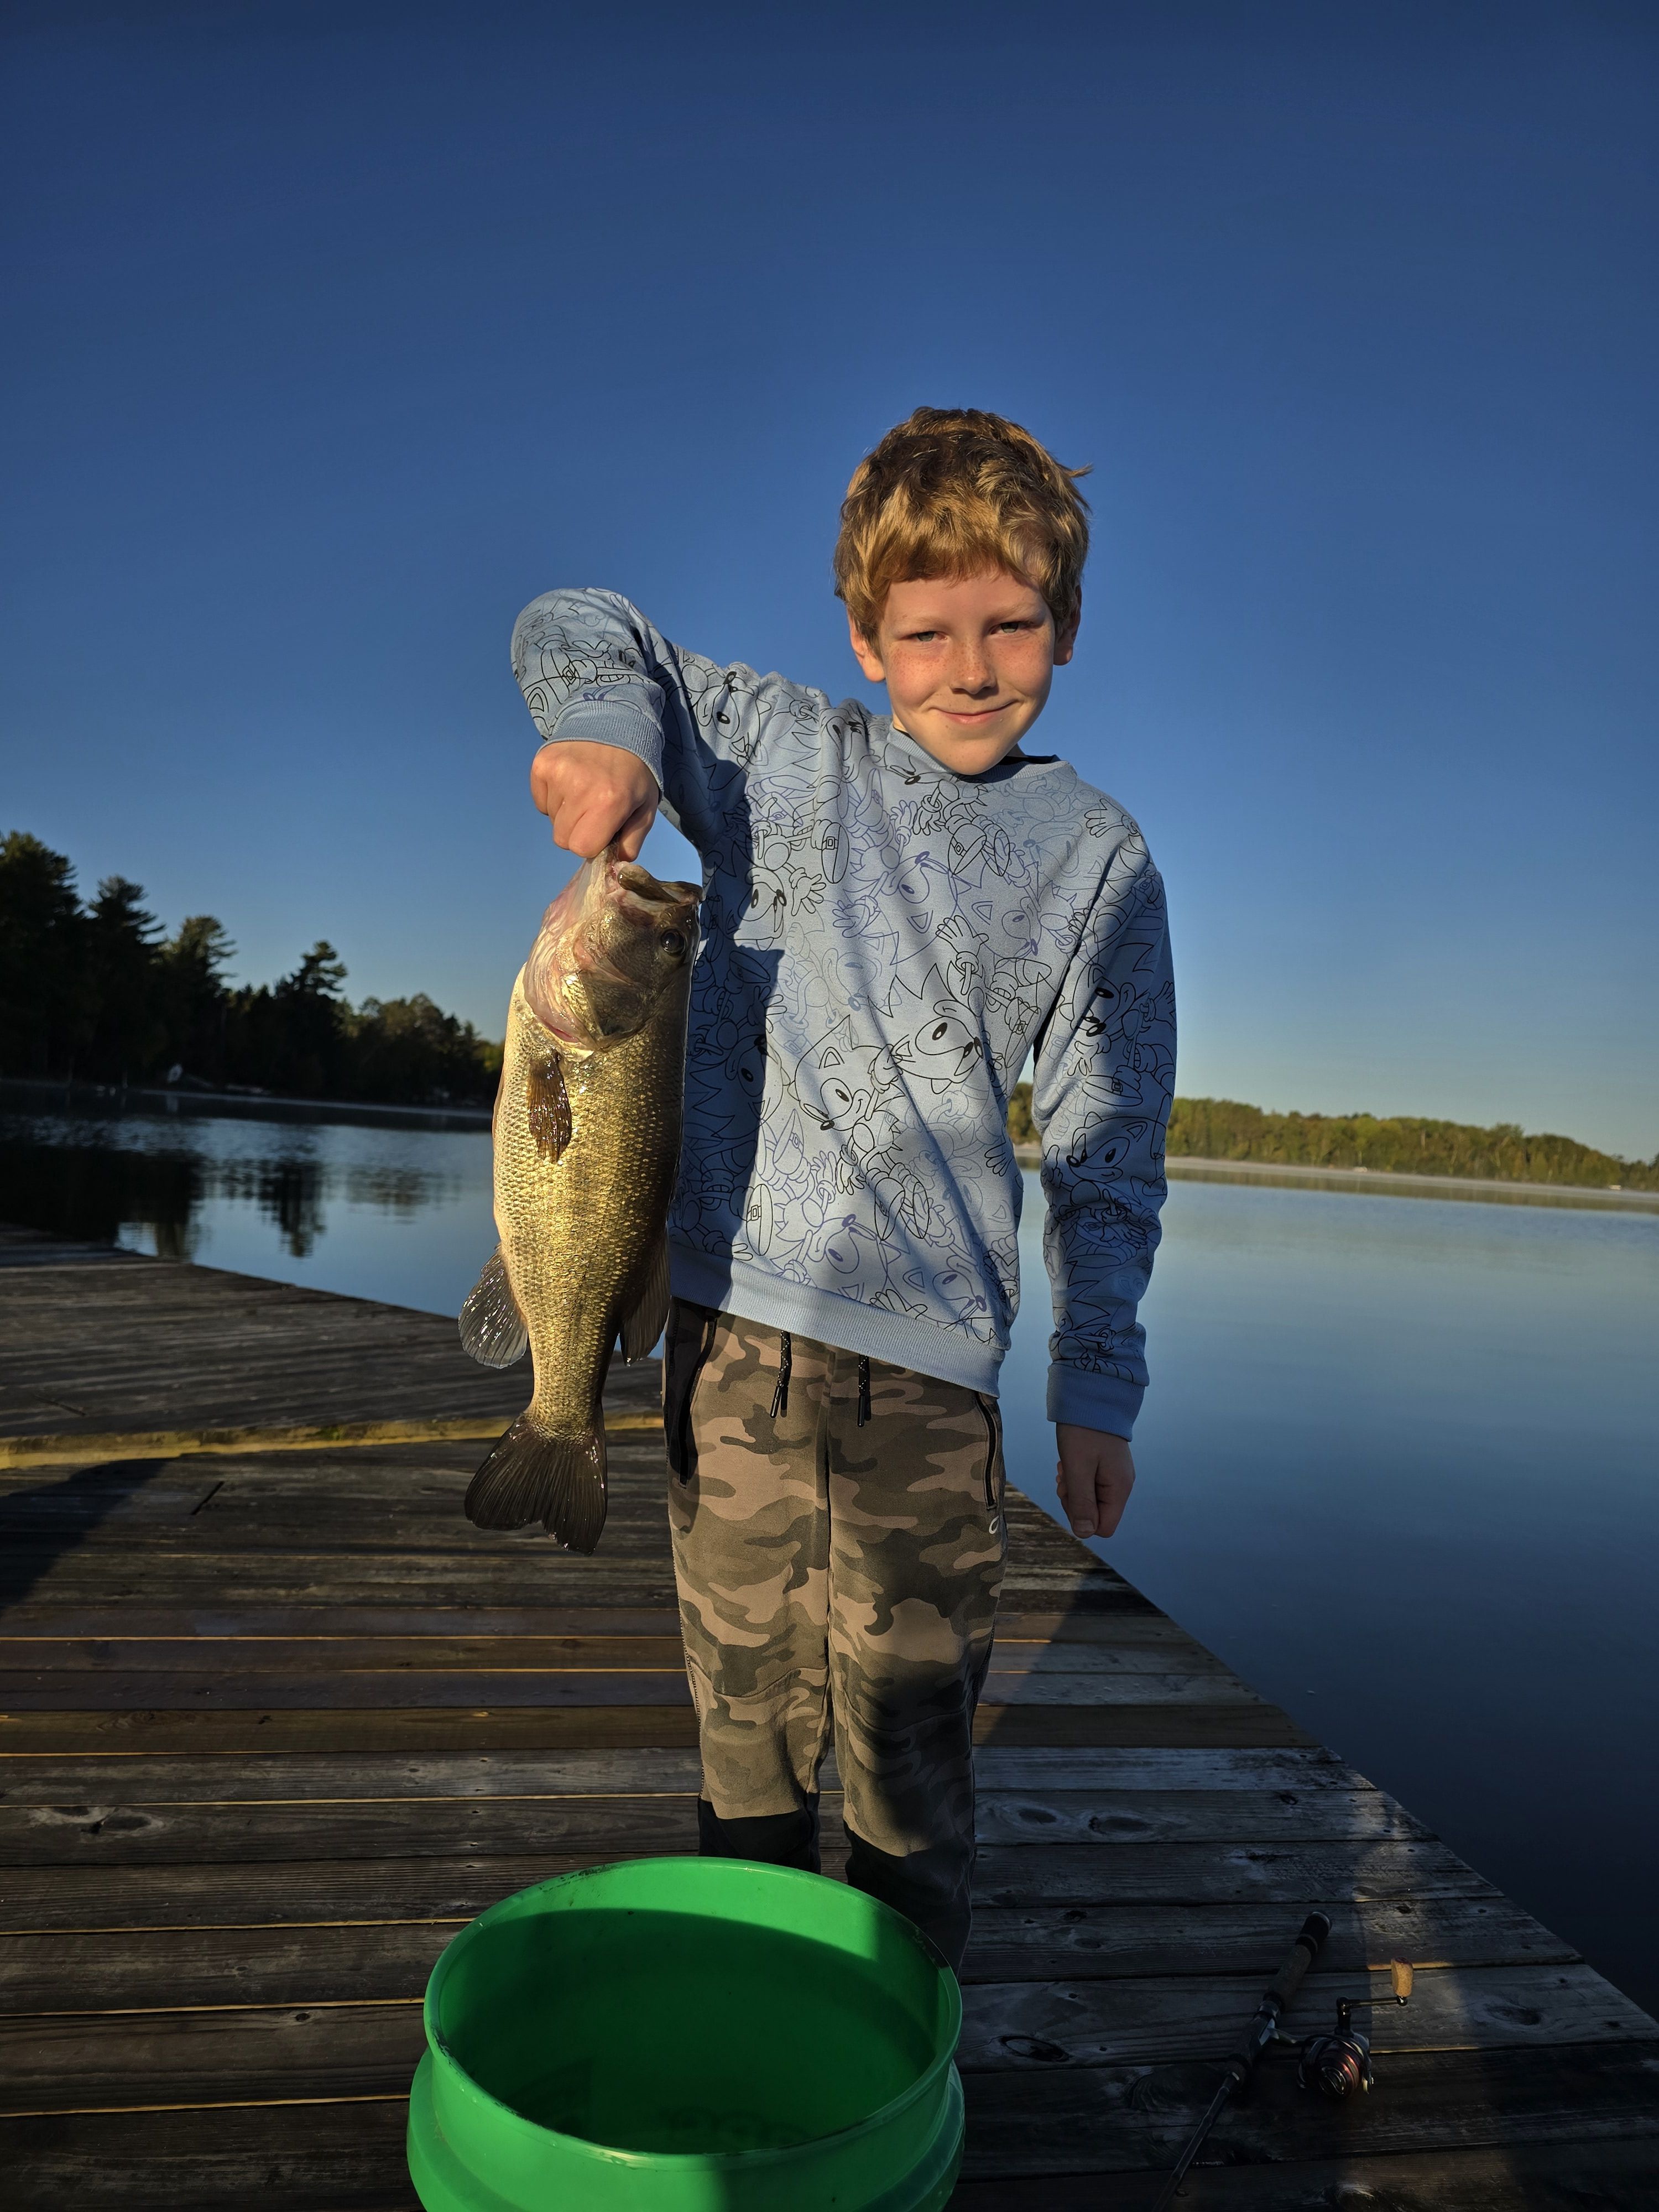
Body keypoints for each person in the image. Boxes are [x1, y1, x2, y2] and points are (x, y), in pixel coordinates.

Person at [513, 406, 1174, 1971]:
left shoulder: (1099, 859)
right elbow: (580, 620)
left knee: (910, 1776)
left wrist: (1098, 1380)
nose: (971, 667)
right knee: (744, 1752)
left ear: (1068, 626)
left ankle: (896, 2040)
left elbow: (1108, 1136)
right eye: (926, 631)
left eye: (1012, 625)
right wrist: (613, 731)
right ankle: (754, 2016)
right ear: (867, 640)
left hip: (932, 1393)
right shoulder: (782, 756)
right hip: (728, 1353)